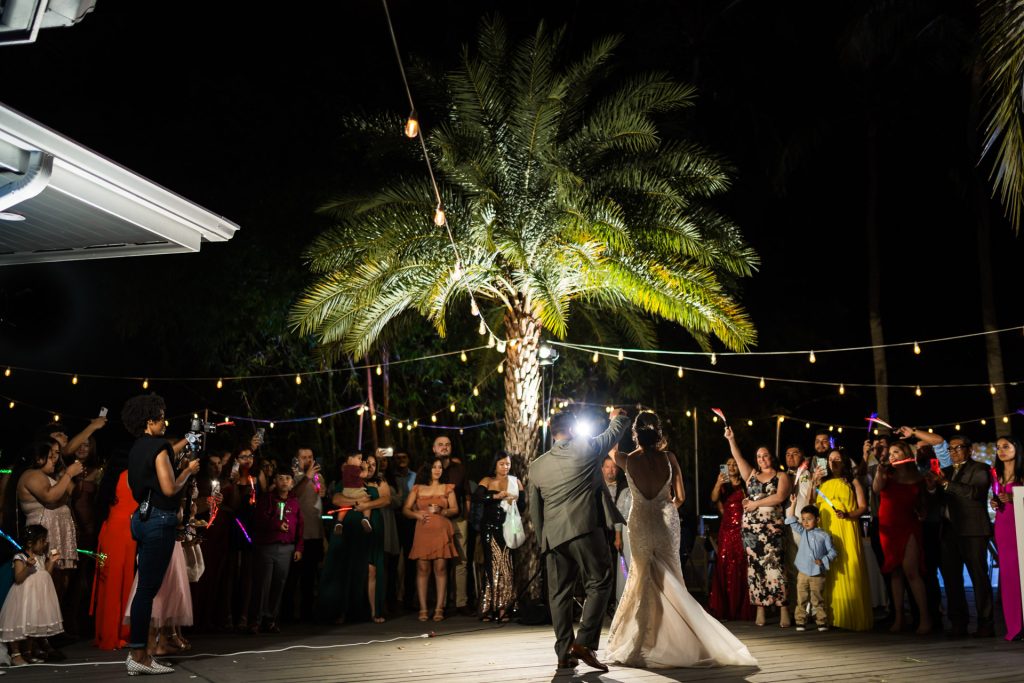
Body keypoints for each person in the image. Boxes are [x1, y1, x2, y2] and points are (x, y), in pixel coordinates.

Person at [606, 412, 757, 669]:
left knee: (642, 576)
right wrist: (664, 508)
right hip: (665, 522)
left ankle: (644, 639)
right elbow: (681, 498)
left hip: (640, 521)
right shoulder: (669, 457)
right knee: (671, 578)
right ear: (659, 435)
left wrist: (613, 421)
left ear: (637, 435)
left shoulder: (627, 460)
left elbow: (610, 450)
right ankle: (684, 637)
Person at [528, 408, 630, 672]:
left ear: (552, 432)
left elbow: (535, 511)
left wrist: (543, 543)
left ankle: (564, 653)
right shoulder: (584, 447)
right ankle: (583, 642)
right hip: (584, 529)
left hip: (553, 537)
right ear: (573, 430)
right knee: (600, 580)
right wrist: (618, 416)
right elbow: (613, 434)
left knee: (559, 594)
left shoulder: (536, 467)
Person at [123, 393, 200, 676]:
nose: (164, 421)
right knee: (146, 591)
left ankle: (139, 652)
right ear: (149, 420)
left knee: (144, 589)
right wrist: (188, 471)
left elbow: (148, 484)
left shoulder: (136, 449)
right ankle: (139, 655)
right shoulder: (159, 447)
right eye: (160, 416)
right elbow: (169, 489)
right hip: (159, 519)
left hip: (141, 518)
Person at [724, 426, 792, 627]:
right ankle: (760, 609)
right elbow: (737, 458)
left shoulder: (782, 476)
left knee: (776, 567)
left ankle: (783, 609)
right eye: (759, 456)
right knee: (755, 569)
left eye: (765, 455)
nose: (762, 459)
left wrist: (755, 504)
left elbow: (780, 497)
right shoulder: (751, 475)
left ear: (772, 457)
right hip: (751, 530)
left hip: (772, 529)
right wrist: (731, 439)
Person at [927, 434, 994, 637]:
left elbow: (976, 493)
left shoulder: (980, 468)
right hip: (948, 531)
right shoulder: (945, 471)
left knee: (979, 578)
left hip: (973, 531)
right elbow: (938, 500)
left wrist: (946, 484)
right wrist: (932, 488)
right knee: (951, 579)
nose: (954, 452)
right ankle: (958, 623)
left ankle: (985, 623)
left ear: (969, 449)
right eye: (951, 449)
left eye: (958, 448)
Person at [319, 454, 391, 624]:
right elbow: (337, 499)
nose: (371, 466)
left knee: (371, 570)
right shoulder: (347, 481)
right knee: (348, 568)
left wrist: (367, 505)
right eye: (368, 463)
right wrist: (358, 501)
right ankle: (342, 611)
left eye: (374, 464)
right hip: (349, 530)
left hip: (370, 529)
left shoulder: (379, 483)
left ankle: (374, 611)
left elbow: (386, 499)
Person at [811, 448, 872, 631]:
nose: (834, 462)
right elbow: (812, 504)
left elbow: (863, 507)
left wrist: (848, 514)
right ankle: (832, 617)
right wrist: (814, 482)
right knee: (831, 571)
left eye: (837, 458)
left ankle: (851, 616)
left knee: (848, 566)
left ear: (844, 461)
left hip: (846, 527)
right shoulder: (823, 483)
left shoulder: (852, 481)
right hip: (827, 530)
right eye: (830, 459)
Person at [873, 440, 931, 634]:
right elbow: (876, 488)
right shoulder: (887, 473)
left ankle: (925, 619)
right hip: (888, 527)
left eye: (896, 452)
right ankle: (899, 619)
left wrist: (923, 512)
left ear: (905, 453)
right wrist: (880, 471)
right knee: (895, 571)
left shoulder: (918, 475)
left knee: (911, 570)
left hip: (909, 525)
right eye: (890, 453)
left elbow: (923, 502)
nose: (892, 455)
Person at [248, 466, 303, 634]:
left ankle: (270, 619)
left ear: (292, 483)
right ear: (274, 481)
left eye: (288, 478)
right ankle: (255, 621)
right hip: (267, 547)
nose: (284, 481)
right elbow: (259, 519)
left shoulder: (294, 502)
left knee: (279, 584)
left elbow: (300, 526)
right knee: (262, 584)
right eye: (281, 478)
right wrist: (277, 524)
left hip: (286, 548)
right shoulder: (267, 499)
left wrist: (299, 547)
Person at [403, 457, 457, 622]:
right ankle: (423, 608)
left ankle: (440, 607)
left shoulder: (447, 488)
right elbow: (405, 509)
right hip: (423, 531)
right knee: (422, 569)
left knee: (440, 568)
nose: (437, 470)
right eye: (434, 467)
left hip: (441, 531)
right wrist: (416, 514)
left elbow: (455, 509)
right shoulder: (418, 488)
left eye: (440, 467)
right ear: (428, 469)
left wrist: (442, 511)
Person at [0, 525, 63, 664]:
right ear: (30, 543)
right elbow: (18, 578)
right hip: (24, 596)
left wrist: (51, 562)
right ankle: (16, 654)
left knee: (32, 624)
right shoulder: (20, 557)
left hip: (37, 596)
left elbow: (45, 574)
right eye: (42, 540)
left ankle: (27, 652)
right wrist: (28, 567)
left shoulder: (40, 557)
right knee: (17, 624)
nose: (45, 543)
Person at [473, 451, 523, 622]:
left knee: (507, 566)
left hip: (508, 528)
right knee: (492, 566)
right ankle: (488, 607)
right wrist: (495, 496)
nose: (505, 467)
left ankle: (504, 608)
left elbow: (523, 505)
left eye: (507, 464)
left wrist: (515, 500)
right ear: (495, 465)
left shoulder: (515, 481)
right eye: (502, 464)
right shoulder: (487, 481)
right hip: (490, 528)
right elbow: (477, 498)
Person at [282, 445, 325, 623]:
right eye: (304, 457)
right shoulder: (292, 477)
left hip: (315, 532)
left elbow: (321, 495)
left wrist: (317, 484)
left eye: (310, 456)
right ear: (297, 459)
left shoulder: (318, 476)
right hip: (297, 535)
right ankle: (287, 614)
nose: (308, 460)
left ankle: (308, 613)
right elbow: (293, 494)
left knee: (310, 576)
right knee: (293, 577)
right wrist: (306, 478)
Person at [709, 457, 754, 621]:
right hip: (727, 531)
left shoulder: (746, 485)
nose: (732, 467)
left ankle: (740, 608)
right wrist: (718, 483)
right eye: (729, 464)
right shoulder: (723, 485)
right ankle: (725, 608)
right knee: (725, 563)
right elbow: (714, 499)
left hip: (743, 530)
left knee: (742, 564)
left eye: (735, 464)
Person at [783, 503, 837, 632]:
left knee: (817, 598)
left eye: (809, 519)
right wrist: (794, 504)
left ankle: (821, 621)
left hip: (818, 573)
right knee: (801, 598)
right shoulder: (803, 532)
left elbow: (833, 552)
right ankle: (800, 621)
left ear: (817, 519)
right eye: (803, 519)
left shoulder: (825, 535)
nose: (805, 522)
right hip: (802, 572)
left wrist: (823, 560)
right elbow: (790, 520)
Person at [991, 435, 1023, 641]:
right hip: (1002, 526)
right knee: (1009, 577)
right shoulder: (996, 474)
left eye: (1006, 446)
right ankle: (1014, 627)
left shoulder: (1022, 473)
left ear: (1017, 449)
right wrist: (995, 503)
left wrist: (1015, 498)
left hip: (1019, 526)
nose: (1001, 450)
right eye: (998, 447)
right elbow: (996, 497)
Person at [782, 444, 812, 622]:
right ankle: (795, 607)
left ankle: (807, 610)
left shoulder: (808, 474)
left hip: (802, 526)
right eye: (787, 454)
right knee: (790, 568)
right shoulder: (783, 477)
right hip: (786, 526)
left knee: (804, 566)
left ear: (802, 455)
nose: (791, 456)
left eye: (795, 453)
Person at [602, 454, 631, 605]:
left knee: (620, 567)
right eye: (607, 467)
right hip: (601, 531)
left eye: (613, 467)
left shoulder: (625, 488)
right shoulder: (596, 488)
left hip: (619, 534)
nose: (611, 470)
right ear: (602, 469)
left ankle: (617, 599)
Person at [335, 451, 371, 533]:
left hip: (346, 491)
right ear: (350, 459)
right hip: (356, 490)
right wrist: (365, 468)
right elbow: (363, 475)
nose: (361, 461)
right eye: (359, 458)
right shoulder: (354, 468)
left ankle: (339, 522)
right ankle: (366, 518)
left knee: (344, 506)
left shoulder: (345, 468)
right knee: (367, 501)